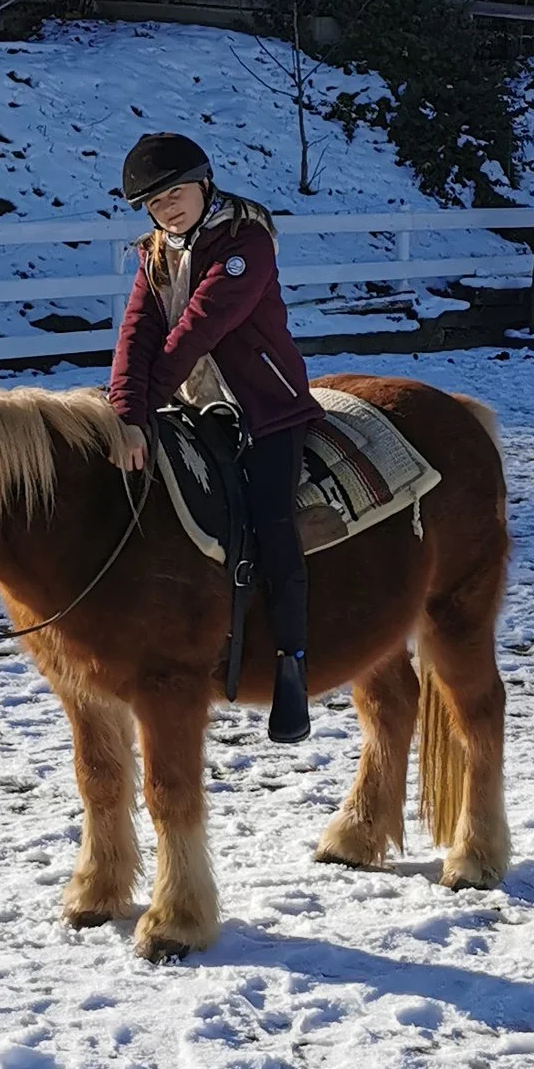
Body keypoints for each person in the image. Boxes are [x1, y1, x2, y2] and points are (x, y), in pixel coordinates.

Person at [108, 129, 317, 743]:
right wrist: (125, 412)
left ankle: (292, 661)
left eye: (175, 193)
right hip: (192, 404)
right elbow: (138, 332)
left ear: (204, 184)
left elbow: (197, 329)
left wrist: (146, 400)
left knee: (273, 518)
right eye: (154, 202)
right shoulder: (156, 253)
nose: (166, 208)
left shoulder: (245, 242)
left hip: (264, 406)